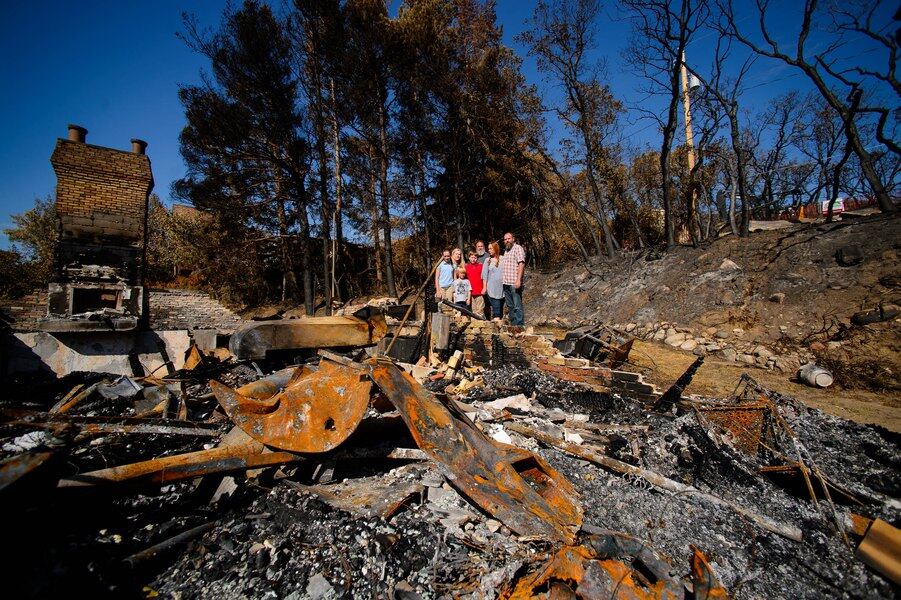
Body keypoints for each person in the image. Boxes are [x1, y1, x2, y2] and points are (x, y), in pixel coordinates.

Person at [501, 232, 526, 326]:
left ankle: (519, 326)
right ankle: (513, 326)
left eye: (509, 238)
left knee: (517, 306)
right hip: (506, 282)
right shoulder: (506, 251)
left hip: (514, 282)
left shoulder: (518, 248)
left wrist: (518, 280)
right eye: (505, 239)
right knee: (510, 306)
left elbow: (521, 264)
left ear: (513, 239)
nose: (507, 240)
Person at [481, 241, 504, 320]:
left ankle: (499, 327)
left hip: (502, 289)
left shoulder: (503, 258)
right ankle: (496, 326)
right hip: (491, 289)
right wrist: (484, 288)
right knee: (496, 310)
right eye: (488, 249)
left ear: (495, 248)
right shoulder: (487, 260)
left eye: (491, 248)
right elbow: (484, 275)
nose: (489, 250)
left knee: (500, 310)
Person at [465, 250, 485, 316]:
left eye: (475, 258)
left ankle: (481, 323)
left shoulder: (481, 266)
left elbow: (484, 277)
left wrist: (484, 288)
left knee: (480, 309)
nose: (473, 259)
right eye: (472, 257)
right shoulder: (467, 267)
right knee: (473, 310)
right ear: (469, 258)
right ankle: (475, 324)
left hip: (479, 291)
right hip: (471, 292)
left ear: (477, 258)